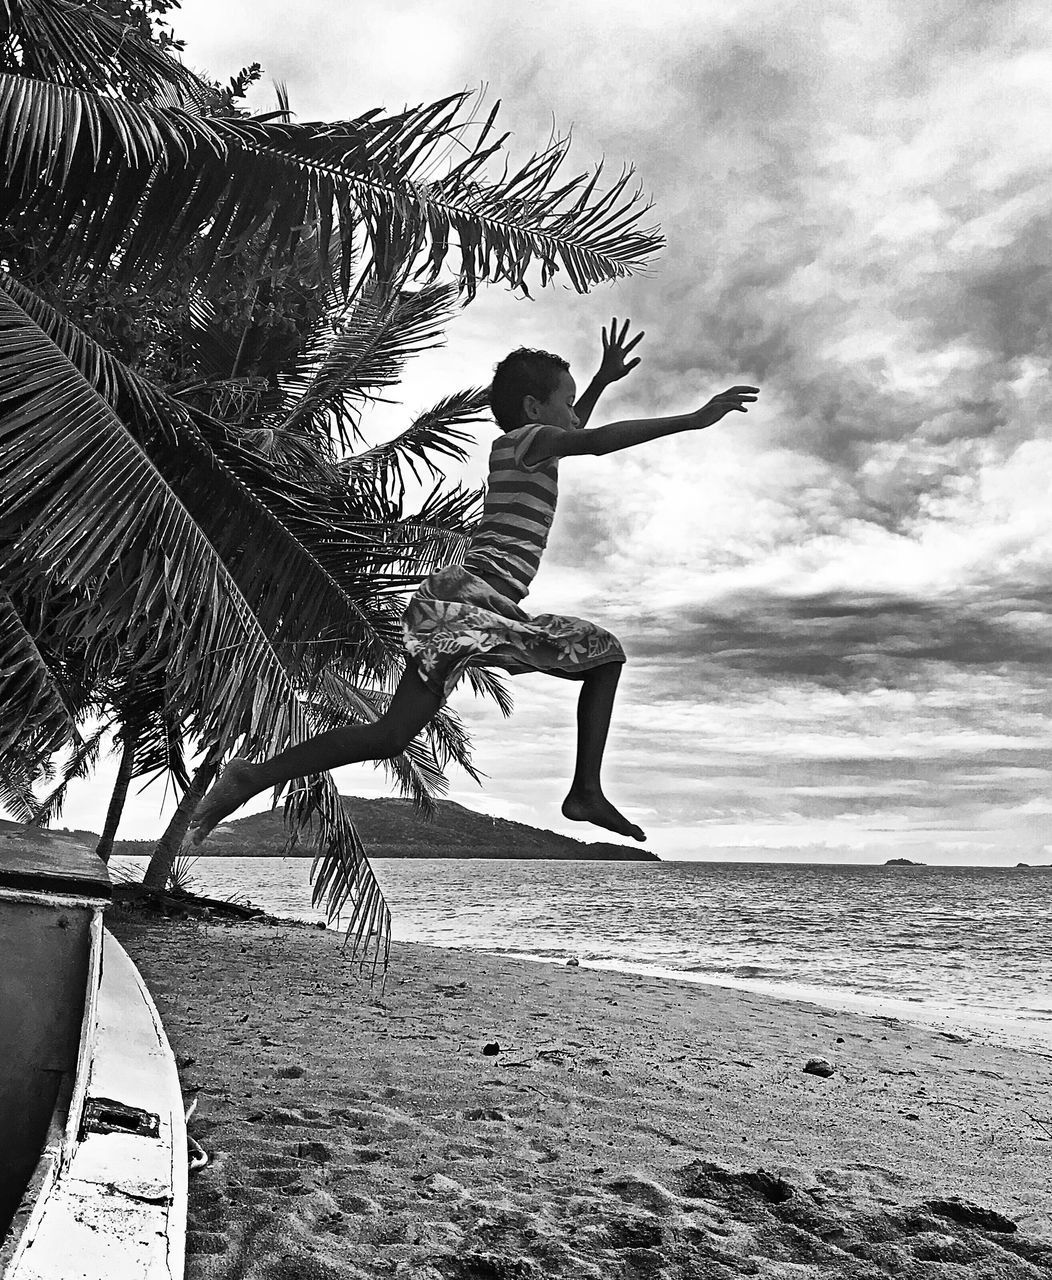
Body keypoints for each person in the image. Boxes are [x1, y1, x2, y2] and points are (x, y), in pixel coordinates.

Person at [188, 319, 759, 845]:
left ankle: (251, 776)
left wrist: (602, 380)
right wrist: (694, 419)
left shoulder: (528, 445)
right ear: (537, 407)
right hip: (472, 603)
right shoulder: (529, 443)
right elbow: (594, 439)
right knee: (605, 655)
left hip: (464, 606)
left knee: (391, 737)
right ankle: (585, 792)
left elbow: (576, 426)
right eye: (566, 400)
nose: (574, 413)